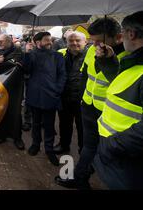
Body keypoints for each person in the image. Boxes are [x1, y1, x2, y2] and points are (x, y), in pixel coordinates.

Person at [55, 17, 127, 189]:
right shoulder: (91, 50)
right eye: (93, 41)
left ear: (118, 38)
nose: (95, 46)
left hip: (111, 114)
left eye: (99, 41)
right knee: (89, 146)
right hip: (88, 106)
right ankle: (80, 177)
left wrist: (109, 60)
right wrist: (82, 99)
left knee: (108, 155)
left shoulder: (127, 58)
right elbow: (85, 76)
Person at [92, 11, 143, 189]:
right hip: (121, 160)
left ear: (131, 34)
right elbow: (120, 85)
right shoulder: (134, 62)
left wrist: (112, 144)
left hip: (128, 161)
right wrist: (108, 61)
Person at [24, 31, 66, 166]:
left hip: (51, 95)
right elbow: (26, 70)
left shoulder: (58, 56)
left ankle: (49, 149)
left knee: (49, 124)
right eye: (47, 40)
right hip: (35, 94)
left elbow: (62, 75)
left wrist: (57, 90)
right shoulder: (32, 55)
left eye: (50, 40)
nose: (50, 42)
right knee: (35, 123)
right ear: (38, 43)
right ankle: (35, 144)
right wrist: (27, 54)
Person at [54, 31, 88, 155]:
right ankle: (64, 145)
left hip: (83, 98)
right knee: (64, 123)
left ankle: (83, 150)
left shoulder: (92, 54)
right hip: (65, 96)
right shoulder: (61, 54)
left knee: (82, 127)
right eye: (71, 41)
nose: (74, 43)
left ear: (85, 41)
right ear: (66, 42)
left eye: (78, 40)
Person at [0, 33, 25, 150]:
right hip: (0, 86)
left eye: (1, 41)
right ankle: (1, 135)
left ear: (9, 41)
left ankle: (17, 138)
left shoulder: (18, 50)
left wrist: (1, 62)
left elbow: (14, 64)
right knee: (1, 110)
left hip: (15, 86)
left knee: (15, 111)